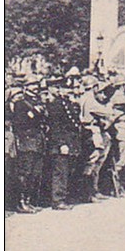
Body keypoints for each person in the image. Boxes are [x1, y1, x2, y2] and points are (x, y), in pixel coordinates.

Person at [42, 78, 83, 209]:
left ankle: (64, 197)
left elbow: (75, 124)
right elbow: (56, 127)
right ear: (50, 89)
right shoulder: (55, 105)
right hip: (61, 142)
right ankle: (57, 200)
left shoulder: (66, 103)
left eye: (62, 88)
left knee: (67, 170)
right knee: (60, 171)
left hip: (71, 141)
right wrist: (61, 144)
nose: (60, 90)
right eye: (57, 88)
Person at [8, 75, 46, 213]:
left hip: (37, 140)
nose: (35, 86)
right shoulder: (21, 103)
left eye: (36, 84)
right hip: (26, 140)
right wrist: (35, 113)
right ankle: (21, 202)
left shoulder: (37, 101)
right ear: (26, 87)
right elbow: (20, 123)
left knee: (35, 173)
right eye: (32, 84)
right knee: (25, 172)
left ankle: (29, 201)